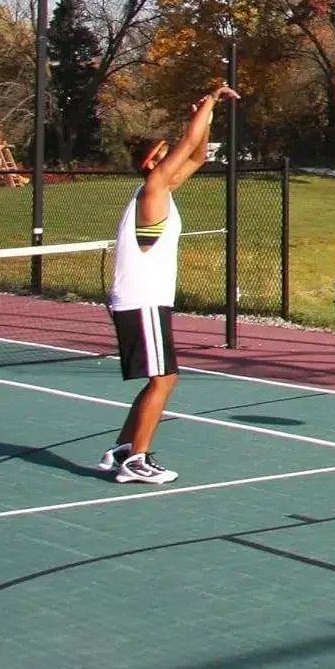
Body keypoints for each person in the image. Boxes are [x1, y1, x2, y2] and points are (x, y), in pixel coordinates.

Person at [97, 85, 239, 485]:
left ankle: (123, 450)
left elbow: (196, 152)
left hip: (147, 300)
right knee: (164, 379)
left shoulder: (164, 192)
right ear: (149, 162)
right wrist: (210, 101)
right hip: (142, 300)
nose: (171, 160)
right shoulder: (151, 191)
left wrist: (205, 119)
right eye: (163, 154)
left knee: (159, 378)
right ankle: (136, 460)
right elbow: (189, 143)